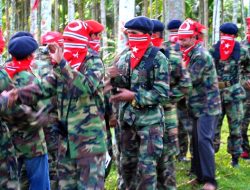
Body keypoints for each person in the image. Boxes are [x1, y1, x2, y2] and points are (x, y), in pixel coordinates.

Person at [14, 20, 107, 189]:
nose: (67, 45)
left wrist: (63, 64)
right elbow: (43, 88)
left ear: (81, 41)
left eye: (72, 41)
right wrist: (16, 95)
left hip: (90, 142)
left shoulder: (94, 62)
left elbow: (86, 87)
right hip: (66, 143)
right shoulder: (63, 66)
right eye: (66, 41)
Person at [108, 16, 170, 189]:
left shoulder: (158, 59)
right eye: (128, 34)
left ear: (147, 35)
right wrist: (112, 78)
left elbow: (163, 93)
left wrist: (134, 96)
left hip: (149, 125)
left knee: (146, 170)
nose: (130, 37)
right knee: (126, 167)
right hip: (127, 123)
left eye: (134, 33)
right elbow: (120, 86)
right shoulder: (126, 57)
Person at [3, 32, 50, 190]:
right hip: (33, 142)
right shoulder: (29, 78)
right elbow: (43, 105)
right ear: (30, 55)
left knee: (15, 182)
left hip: (10, 142)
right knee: (39, 184)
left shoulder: (4, 72)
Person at [178, 18, 221, 190]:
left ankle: (210, 180)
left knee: (204, 140)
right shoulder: (188, 54)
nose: (181, 42)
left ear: (194, 38)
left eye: (185, 39)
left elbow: (189, 80)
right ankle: (198, 175)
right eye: (180, 39)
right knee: (195, 140)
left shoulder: (201, 55)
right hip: (196, 106)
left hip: (208, 106)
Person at [151, 19, 192, 190]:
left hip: (166, 116)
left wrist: (167, 99)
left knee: (166, 162)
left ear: (156, 35)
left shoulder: (172, 56)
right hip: (143, 117)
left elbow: (186, 84)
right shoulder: (135, 56)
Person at [210, 23, 248, 167]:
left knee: (235, 126)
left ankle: (235, 158)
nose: (226, 38)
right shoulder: (213, 49)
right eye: (224, 34)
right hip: (217, 93)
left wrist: (245, 79)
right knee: (214, 126)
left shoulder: (242, 50)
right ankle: (211, 156)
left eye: (229, 35)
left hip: (234, 93)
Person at [240, 17, 250, 159]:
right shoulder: (241, 47)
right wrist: (244, 81)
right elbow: (235, 68)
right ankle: (245, 149)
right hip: (247, 90)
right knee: (242, 121)